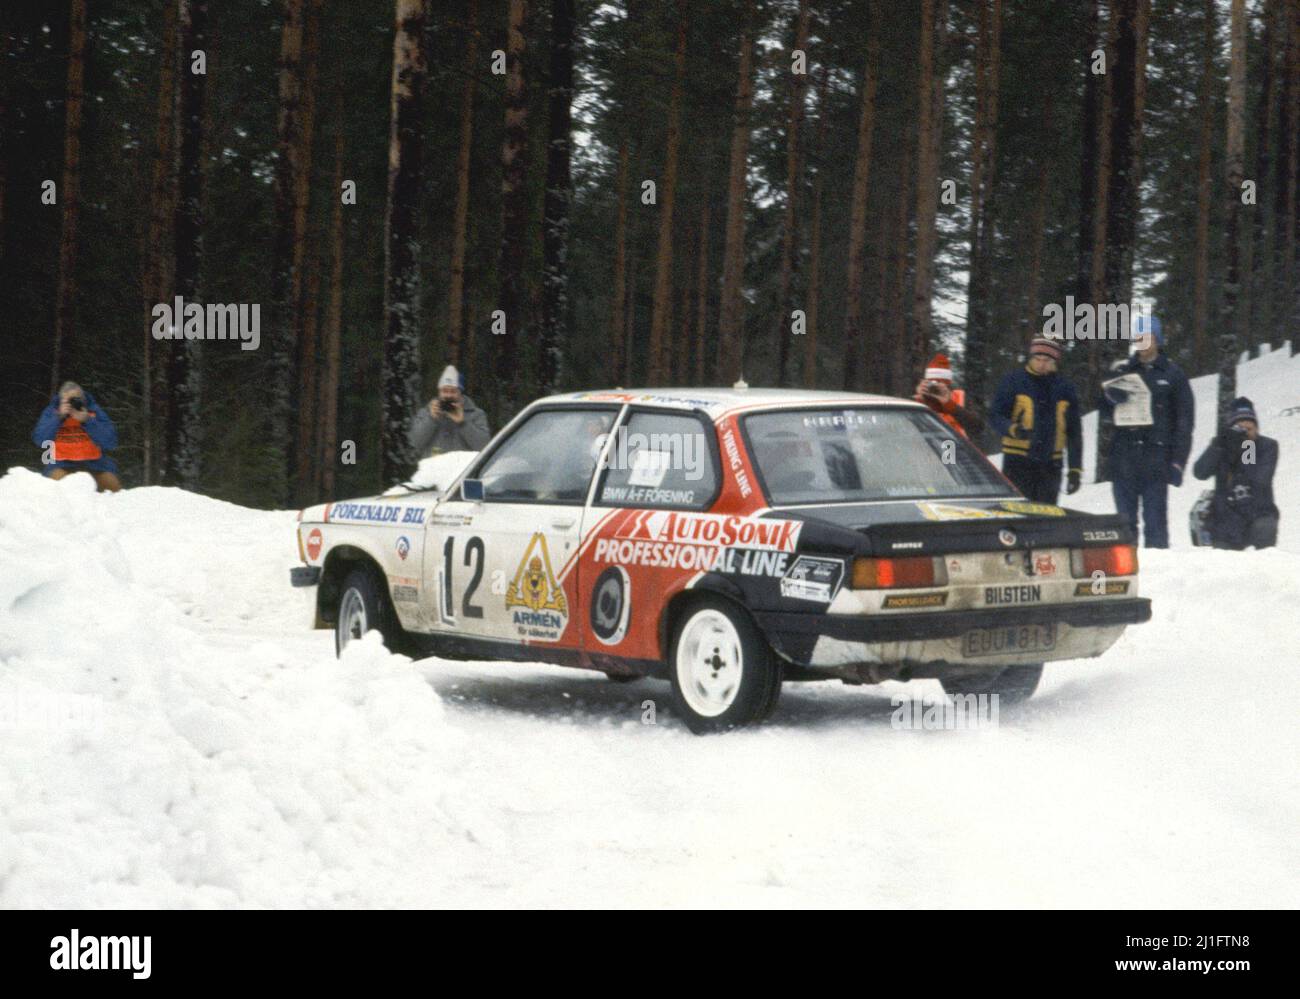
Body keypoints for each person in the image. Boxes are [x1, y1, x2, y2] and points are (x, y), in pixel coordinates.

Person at [1098, 316, 1194, 549]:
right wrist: (1109, 396)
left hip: (1156, 459)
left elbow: (1184, 422)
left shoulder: (1173, 374)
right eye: (1138, 337)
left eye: (1148, 337)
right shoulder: (1122, 370)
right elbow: (1102, 410)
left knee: (1155, 524)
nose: (1142, 342)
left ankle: (1158, 578)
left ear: (1158, 339)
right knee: (1125, 525)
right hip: (1124, 458)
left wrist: (1178, 462)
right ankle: (1127, 575)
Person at [989, 336, 1082, 504]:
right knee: (1018, 514)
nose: (1041, 364)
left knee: (1046, 518)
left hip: (1051, 464)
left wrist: (1075, 470)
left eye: (1046, 360)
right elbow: (995, 415)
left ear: (1055, 361)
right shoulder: (1014, 381)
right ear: (1030, 358)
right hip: (1017, 461)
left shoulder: (1065, 388)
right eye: (1037, 359)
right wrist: (1013, 429)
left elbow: (1074, 431)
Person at [1192, 397, 1279, 550]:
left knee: (1265, 527)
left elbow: (1259, 479)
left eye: (1250, 428)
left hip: (1258, 513)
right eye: (1240, 428)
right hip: (1226, 518)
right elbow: (1200, 472)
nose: (1246, 432)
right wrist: (1219, 445)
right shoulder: (1222, 445)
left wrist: (1246, 447)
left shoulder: (1268, 446)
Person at [31, 381, 122, 492]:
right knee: (55, 488)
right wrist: (58, 418)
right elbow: (40, 440)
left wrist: (87, 420)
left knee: (113, 488)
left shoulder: (94, 411)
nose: (72, 404)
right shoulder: (52, 412)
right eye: (68, 401)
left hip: (96, 465)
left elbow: (110, 442)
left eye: (76, 400)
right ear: (61, 400)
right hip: (61, 464)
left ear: (83, 398)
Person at [409, 364, 491, 458]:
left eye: (453, 391)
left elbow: (484, 446)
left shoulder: (476, 414)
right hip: (433, 469)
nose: (448, 395)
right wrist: (431, 419)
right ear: (439, 392)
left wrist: (462, 423)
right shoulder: (425, 413)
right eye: (444, 391)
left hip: (464, 470)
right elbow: (414, 444)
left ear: (460, 393)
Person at [913, 353, 984, 440]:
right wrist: (920, 401)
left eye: (939, 383)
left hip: (955, 447)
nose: (935, 389)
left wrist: (950, 406)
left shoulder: (960, 398)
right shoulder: (919, 401)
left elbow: (978, 427)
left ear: (947, 385)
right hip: (926, 449)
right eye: (931, 384)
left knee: (948, 448)